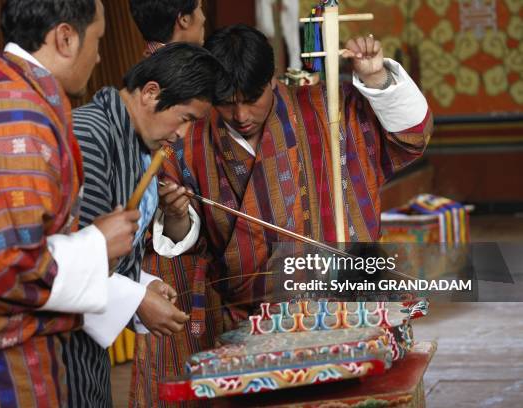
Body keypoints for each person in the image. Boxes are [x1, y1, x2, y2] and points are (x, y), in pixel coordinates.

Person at [131, 24, 433, 406]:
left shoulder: (329, 110)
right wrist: (175, 215)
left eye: (252, 98)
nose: (240, 115)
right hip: (251, 323)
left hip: (347, 307)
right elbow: (183, 240)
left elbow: (412, 136)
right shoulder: (188, 140)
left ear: (272, 80)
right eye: (226, 102)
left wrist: (375, 77)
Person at [0, 0, 170, 406]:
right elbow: (6, 265)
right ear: (65, 38)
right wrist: (97, 243)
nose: (99, 55)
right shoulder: (15, 118)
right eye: (97, 40)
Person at [62, 43, 230, 407]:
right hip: (56, 349)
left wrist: (144, 285)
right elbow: (70, 258)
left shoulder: (138, 144)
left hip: (86, 349)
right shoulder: (90, 135)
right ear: (151, 93)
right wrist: (136, 300)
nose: (182, 135)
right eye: (184, 118)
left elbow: (108, 254)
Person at [129, 0, 206, 55]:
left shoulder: (147, 68)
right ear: (184, 19)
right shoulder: (193, 74)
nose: (204, 18)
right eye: (200, 7)